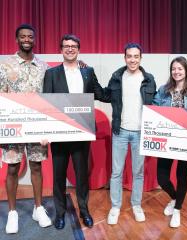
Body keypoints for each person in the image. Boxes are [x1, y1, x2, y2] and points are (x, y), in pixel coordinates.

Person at [43, 34, 108, 229]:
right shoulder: (51, 73)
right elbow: (46, 103)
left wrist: (120, 85)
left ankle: (84, 210)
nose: (70, 49)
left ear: (79, 49)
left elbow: (101, 93)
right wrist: (45, 132)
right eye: (66, 46)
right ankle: (60, 213)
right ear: (61, 49)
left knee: (81, 175)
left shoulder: (88, 72)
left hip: (82, 131)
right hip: (60, 132)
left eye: (73, 46)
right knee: (58, 175)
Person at [0, 24, 52, 234]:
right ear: (16, 39)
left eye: (30, 36)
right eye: (23, 36)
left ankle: (38, 208)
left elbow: (50, 99)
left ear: (34, 39)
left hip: (37, 126)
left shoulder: (44, 66)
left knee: (37, 166)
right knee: (12, 168)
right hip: (12, 126)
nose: (27, 39)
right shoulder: (5, 66)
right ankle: (12, 212)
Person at [106, 43, 156, 225]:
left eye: (136, 56)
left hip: (140, 132)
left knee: (138, 172)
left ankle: (136, 205)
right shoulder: (117, 77)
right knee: (117, 172)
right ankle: (115, 206)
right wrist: (90, 82)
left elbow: (156, 102)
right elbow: (105, 95)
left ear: (140, 58)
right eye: (129, 56)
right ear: (124, 57)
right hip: (120, 131)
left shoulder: (149, 79)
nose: (132, 59)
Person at [153, 56, 187, 228]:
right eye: (174, 68)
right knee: (162, 178)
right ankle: (174, 198)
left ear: (186, 70)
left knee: (182, 177)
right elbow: (154, 109)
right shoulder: (163, 90)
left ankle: (178, 209)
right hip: (166, 139)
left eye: (180, 68)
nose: (176, 71)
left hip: (186, 140)